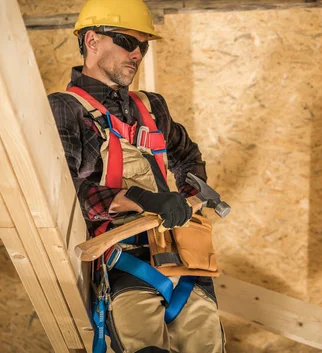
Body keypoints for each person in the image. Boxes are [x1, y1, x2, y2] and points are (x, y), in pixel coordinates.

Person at [48, 0, 225, 352]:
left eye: (142, 46)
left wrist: (187, 198)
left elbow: (187, 156)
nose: (137, 54)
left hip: (186, 259)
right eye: (128, 42)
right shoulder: (66, 109)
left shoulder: (151, 106)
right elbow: (65, 194)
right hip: (125, 262)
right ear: (93, 40)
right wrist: (140, 198)